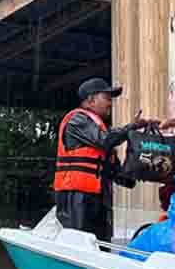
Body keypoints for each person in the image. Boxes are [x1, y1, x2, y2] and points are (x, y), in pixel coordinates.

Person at [53, 78, 158, 242]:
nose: (110, 103)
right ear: (91, 100)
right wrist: (132, 127)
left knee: (101, 243)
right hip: (77, 197)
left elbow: (117, 173)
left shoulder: (100, 129)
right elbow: (106, 140)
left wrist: (140, 169)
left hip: (99, 198)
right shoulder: (77, 121)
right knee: (80, 242)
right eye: (107, 98)